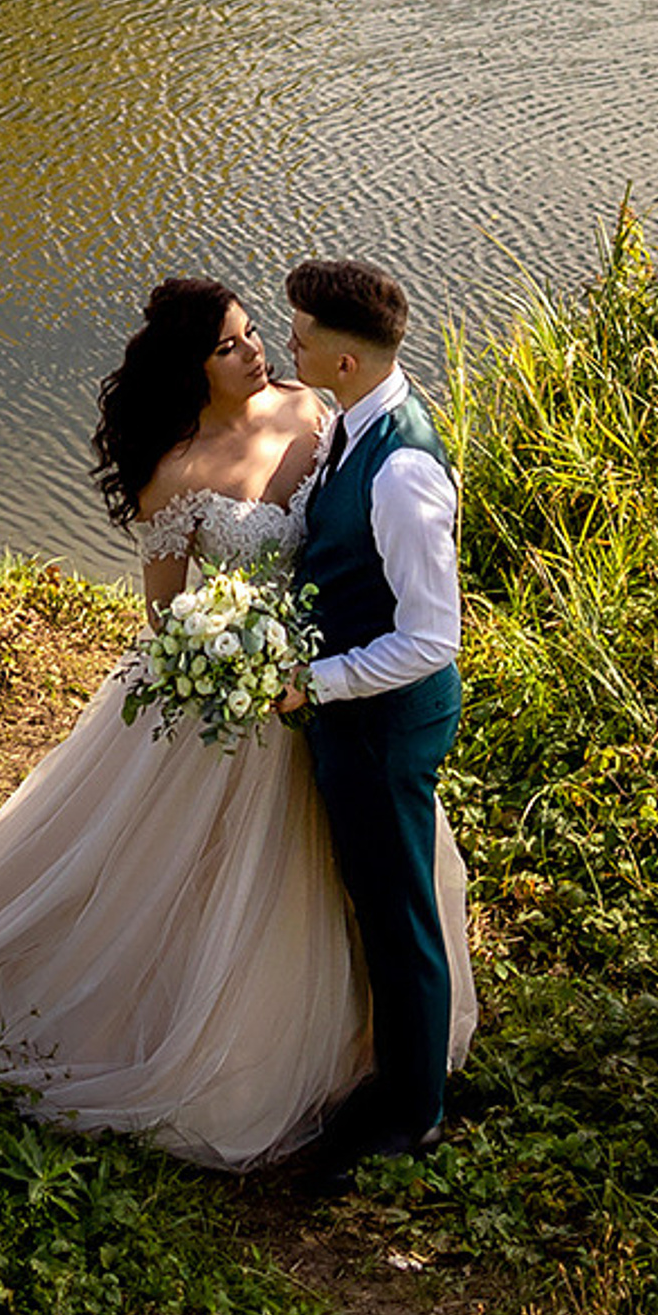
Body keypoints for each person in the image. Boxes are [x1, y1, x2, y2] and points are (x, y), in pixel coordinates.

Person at [0, 277, 471, 1172]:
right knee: (225, 875)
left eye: (259, 335)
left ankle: (392, 1077)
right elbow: (167, 616)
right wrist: (227, 658)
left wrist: (309, 668)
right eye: (234, 344)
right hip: (244, 697)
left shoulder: (319, 414)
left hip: (332, 687)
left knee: (374, 882)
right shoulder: (177, 473)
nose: (260, 353)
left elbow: (386, 563)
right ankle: (263, 1047)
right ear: (190, 370)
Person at [279, 256, 467, 1174]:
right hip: (357, 712)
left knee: (399, 912)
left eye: (302, 338)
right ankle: (395, 1071)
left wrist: (321, 682)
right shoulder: (356, 422)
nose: (290, 346)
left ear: (344, 363)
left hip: (386, 724)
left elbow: (433, 637)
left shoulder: (401, 474)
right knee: (377, 897)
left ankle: (416, 1112)